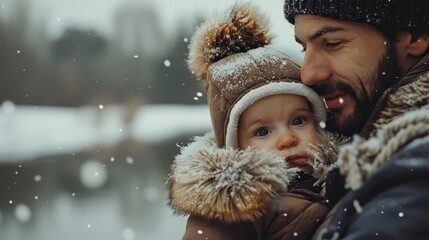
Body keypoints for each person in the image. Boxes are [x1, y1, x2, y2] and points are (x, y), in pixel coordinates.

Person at [167, 3, 347, 240]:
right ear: (234, 147)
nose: (287, 139)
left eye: (298, 120)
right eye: (262, 132)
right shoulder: (232, 208)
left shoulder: (343, 173)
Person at [283, 0, 429, 239]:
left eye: (332, 44)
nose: (308, 74)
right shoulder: (341, 148)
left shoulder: (416, 168)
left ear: (414, 35)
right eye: (304, 48)